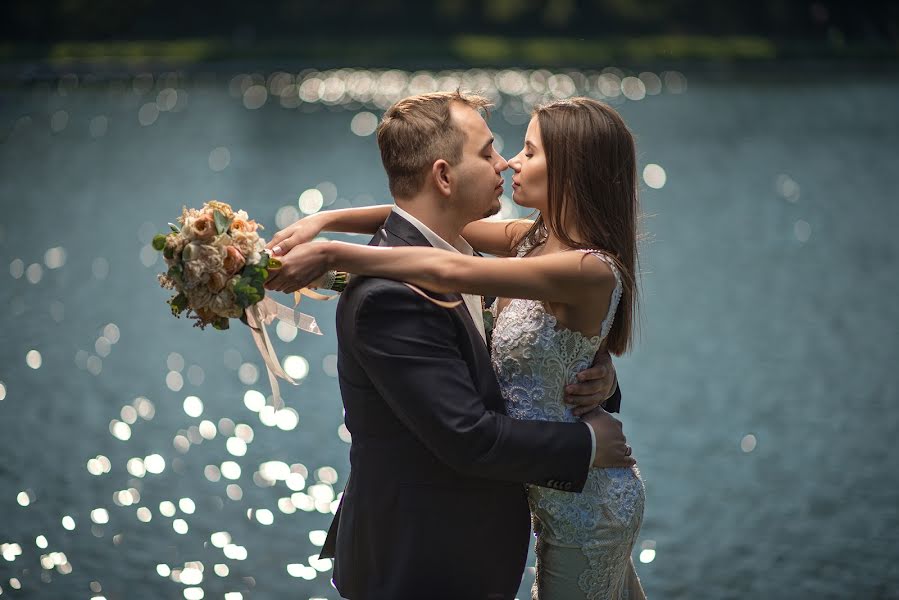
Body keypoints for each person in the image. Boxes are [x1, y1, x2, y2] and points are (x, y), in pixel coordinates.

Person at [264, 92, 640, 599]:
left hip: (577, 510)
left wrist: (332, 248)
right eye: (491, 153)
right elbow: (470, 433)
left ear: (572, 169)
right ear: (444, 176)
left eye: (528, 152)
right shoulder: (523, 244)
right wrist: (326, 222)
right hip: (428, 557)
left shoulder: (572, 264)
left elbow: (452, 270)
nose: (507, 162)